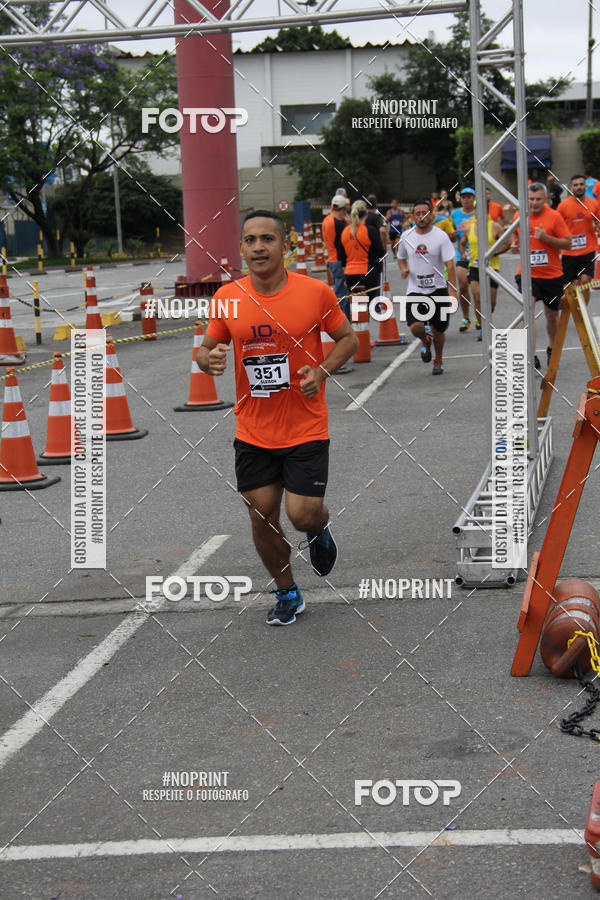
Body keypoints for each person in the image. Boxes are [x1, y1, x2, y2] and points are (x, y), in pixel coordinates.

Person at [196, 210, 358, 626]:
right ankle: (287, 591)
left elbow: (348, 339)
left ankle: (318, 528)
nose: (258, 247)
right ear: (241, 249)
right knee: (261, 514)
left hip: (305, 426)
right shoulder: (227, 298)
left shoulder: (315, 292)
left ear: (284, 246)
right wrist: (208, 358)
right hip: (253, 429)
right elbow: (205, 348)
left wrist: (321, 372)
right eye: (250, 240)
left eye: (267, 239)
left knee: (301, 514)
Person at [512, 183, 571, 369]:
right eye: (531, 199)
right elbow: (514, 239)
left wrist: (546, 239)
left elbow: (568, 244)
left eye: (538, 199)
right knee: (526, 312)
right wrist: (514, 246)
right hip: (528, 273)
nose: (534, 203)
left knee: (552, 316)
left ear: (546, 199)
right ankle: (531, 353)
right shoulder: (519, 216)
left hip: (552, 275)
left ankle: (552, 347)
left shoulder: (554, 217)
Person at [397, 199, 458, 375]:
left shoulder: (440, 236)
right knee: (415, 327)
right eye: (418, 213)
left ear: (431, 215)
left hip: (438, 289)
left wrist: (452, 291)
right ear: (413, 216)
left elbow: (450, 265)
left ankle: (438, 359)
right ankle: (425, 339)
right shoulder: (406, 236)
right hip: (415, 290)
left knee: (439, 330)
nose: (421, 216)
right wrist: (403, 269)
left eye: (425, 213)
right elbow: (400, 257)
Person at [459, 205, 507, 340]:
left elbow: (507, 243)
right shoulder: (469, 227)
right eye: (477, 210)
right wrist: (463, 254)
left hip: (492, 267)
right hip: (474, 267)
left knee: (491, 302)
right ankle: (483, 327)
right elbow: (462, 243)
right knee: (478, 296)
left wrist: (495, 252)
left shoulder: (495, 226)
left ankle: (487, 321)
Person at [557, 173, 600, 305]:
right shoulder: (563, 206)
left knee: (586, 281)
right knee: (569, 287)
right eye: (576, 185)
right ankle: (563, 304)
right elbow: (556, 226)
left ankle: (583, 314)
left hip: (588, 249)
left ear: (585, 186)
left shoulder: (593, 204)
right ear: (571, 187)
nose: (579, 187)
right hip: (569, 252)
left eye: (581, 184)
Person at [341, 199, 385, 298]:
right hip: (368, 272)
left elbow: (343, 258)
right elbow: (380, 253)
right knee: (373, 303)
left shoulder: (345, 232)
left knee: (355, 306)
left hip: (350, 274)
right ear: (366, 213)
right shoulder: (370, 230)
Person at [451, 188, 477, 331]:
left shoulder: (479, 213)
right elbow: (451, 232)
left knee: (477, 289)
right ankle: (466, 317)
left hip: (478, 254)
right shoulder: (455, 214)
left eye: (469, 197)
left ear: (473, 198)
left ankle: (479, 318)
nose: (466, 200)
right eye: (463, 197)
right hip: (463, 254)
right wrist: (453, 235)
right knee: (462, 285)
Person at [322, 195, 350, 318]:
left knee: (340, 292)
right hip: (339, 262)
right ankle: (344, 321)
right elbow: (344, 243)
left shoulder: (327, 220)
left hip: (331, 259)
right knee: (342, 295)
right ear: (344, 209)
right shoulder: (339, 224)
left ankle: (343, 320)